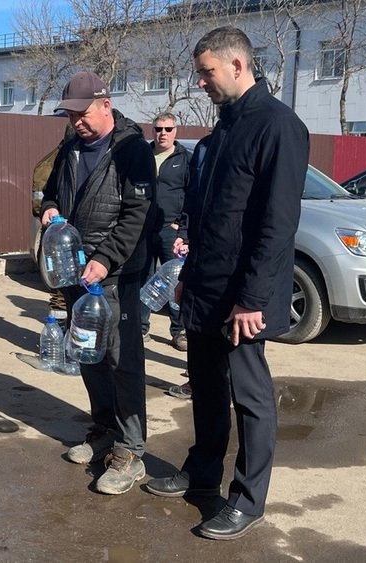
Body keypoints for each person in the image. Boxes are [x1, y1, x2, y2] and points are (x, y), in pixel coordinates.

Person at [142, 26, 309, 541]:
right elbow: (205, 216)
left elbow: (277, 224)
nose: (200, 81)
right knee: (207, 386)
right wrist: (186, 277)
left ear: (237, 66)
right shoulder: (217, 138)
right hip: (205, 287)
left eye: (207, 71)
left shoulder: (279, 127)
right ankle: (201, 471)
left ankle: (247, 499)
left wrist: (253, 299)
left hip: (243, 296)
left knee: (250, 396)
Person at [39, 70, 156, 495]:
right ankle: (103, 428)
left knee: (122, 361)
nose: (76, 123)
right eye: (70, 116)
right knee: (88, 354)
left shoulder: (132, 150)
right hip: (75, 272)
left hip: (116, 276)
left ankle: (130, 451)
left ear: (105, 105)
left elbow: (136, 217)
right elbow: (49, 192)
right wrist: (49, 210)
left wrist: (106, 260)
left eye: (83, 114)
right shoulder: (70, 147)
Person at [140, 112, 191, 352]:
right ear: (153, 131)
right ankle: (141, 328)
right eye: (158, 129)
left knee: (175, 281)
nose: (163, 134)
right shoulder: (144, 156)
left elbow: (192, 196)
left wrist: (182, 226)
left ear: (175, 131)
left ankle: (178, 331)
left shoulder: (185, 159)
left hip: (171, 229)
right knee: (145, 278)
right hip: (144, 228)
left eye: (168, 129)